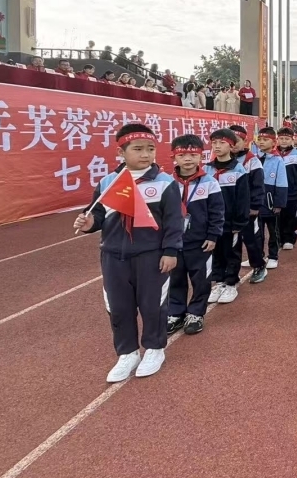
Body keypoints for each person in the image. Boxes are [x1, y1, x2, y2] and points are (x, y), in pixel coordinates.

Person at [73, 124, 183, 382]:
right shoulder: (108, 183)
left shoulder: (165, 183)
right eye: (137, 149)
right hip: (113, 256)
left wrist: (170, 251)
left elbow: (173, 222)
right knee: (118, 307)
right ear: (121, 152)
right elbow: (96, 215)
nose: (145, 155)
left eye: (151, 149)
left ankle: (155, 349)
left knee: (152, 305)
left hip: (151, 256)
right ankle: (127, 353)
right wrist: (89, 224)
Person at [167, 134, 224, 335]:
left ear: (201, 156)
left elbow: (217, 212)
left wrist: (213, 236)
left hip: (200, 243)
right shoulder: (167, 183)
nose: (188, 159)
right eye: (183, 155)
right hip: (174, 243)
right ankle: (175, 312)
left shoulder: (209, 182)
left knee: (201, 279)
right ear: (174, 156)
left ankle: (196, 313)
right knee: (175, 278)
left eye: (193, 154)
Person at [206, 128, 251, 305]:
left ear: (232, 146)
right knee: (215, 252)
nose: (217, 146)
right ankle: (218, 281)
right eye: (214, 143)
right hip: (213, 222)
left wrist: (239, 222)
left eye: (221, 143)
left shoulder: (239, 170)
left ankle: (231, 282)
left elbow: (242, 199)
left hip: (231, 221)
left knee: (231, 251)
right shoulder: (207, 170)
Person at [232, 126, 269, 284]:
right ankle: (230, 275)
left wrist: (255, 206)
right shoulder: (221, 163)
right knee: (231, 243)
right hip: (229, 211)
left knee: (251, 239)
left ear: (245, 141)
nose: (233, 145)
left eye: (236, 141)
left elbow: (258, 186)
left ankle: (259, 266)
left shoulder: (252, 161)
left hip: (248, 211)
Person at [254, 128, 288, 269]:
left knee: (273, 231)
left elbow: (282, 182)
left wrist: (278, 203)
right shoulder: (254, 158)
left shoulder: (278, 160)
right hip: (256, 201)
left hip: (270, 201)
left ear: (273, 142)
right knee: (257, 231)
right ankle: (258, 256)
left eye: (265, 140)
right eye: (260, 139)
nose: (261, 142)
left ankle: (273, 256)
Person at [276, 127, 297, 250]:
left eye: (287, 138)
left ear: (292, 139)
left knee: (290, 215)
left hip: (292, 191)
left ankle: (289, 239)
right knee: (278, 217)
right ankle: (279, 238)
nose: (284, 141)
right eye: (281, 138)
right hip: (277, 192)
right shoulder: (273, 154)